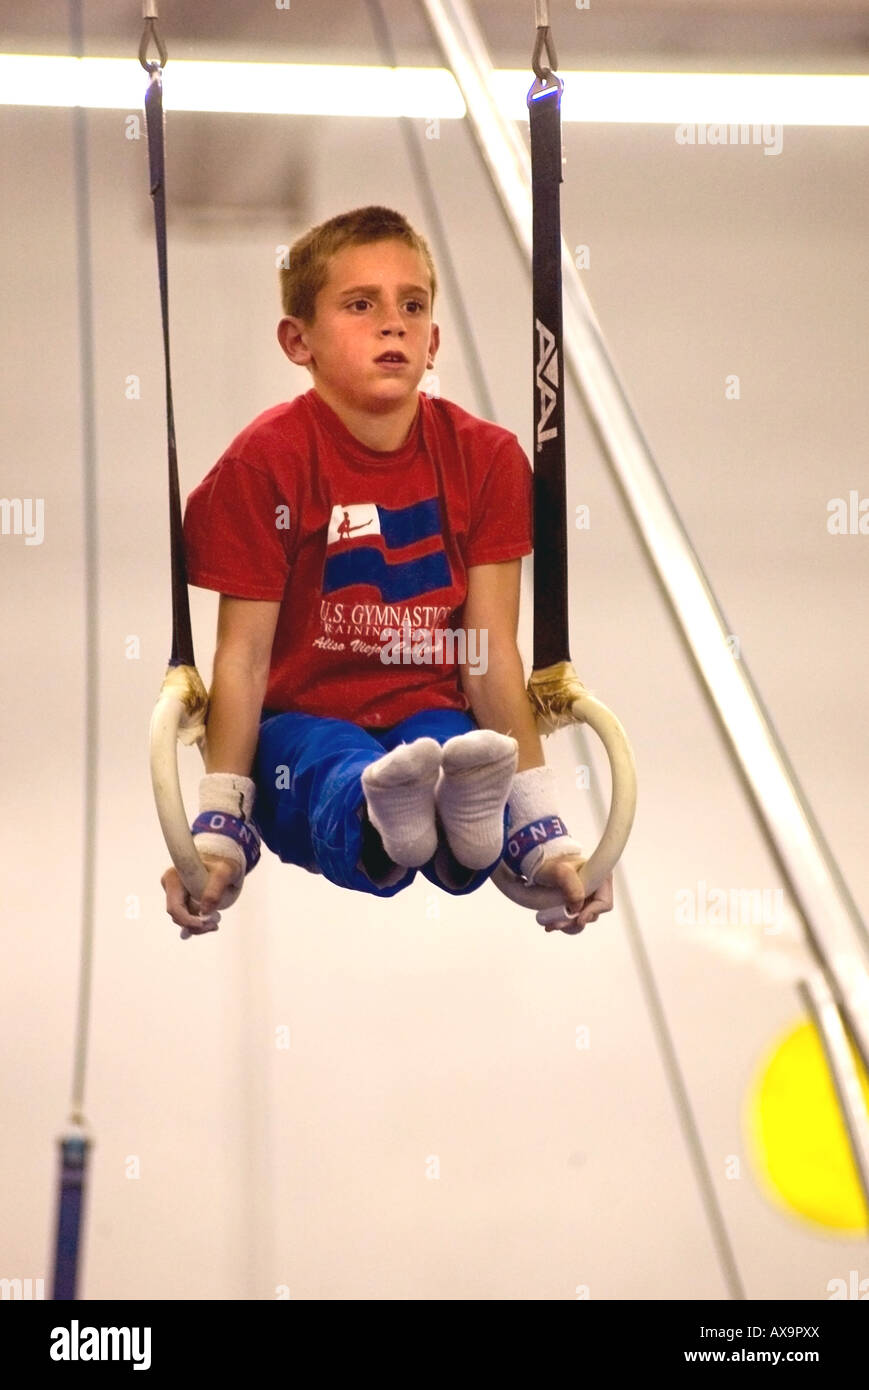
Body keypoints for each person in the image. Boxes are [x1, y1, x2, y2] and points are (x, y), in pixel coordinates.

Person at [161, 205, 613, 938]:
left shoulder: (488, 460)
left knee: (459, 750)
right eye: (360, 304)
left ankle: (466, 826)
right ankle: (382, 815)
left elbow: (489, 654)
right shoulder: (265, 463)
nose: (392, 324)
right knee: (329, 761)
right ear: (296, 340)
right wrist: (216, 827)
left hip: (428, 713)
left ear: (433, 341)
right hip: (299, 729)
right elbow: (241, 660)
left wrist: (546, 830)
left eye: (412, 305)